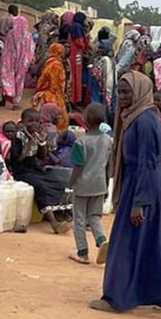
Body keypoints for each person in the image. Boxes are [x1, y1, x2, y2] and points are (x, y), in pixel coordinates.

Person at [91, 72, 161, 312]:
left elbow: (147, 162)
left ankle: (117, 298)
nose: (122, 97)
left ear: (140, 92)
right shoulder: (135, 116)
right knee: (145, 242)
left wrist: (139, 202)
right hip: (140, 183)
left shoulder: (144, 121)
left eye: (127, 92)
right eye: (120, 92)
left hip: (143, 186)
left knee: (126, 242)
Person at [8, 108, 71, 234]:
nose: (34, 124)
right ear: (22, 122)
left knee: (59, 182)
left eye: (37, 121)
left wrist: (42, 142)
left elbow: (42, 157)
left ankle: (62, 214)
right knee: (40, 187)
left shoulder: (37, 135)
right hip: (21, 172)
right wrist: (30, 141)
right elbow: (19, 159)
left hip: (35, 169)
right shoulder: (18, 137)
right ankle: (54, 223)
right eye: (30, 121)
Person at [67, 103, 111, 265]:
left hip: (82, 185)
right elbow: (108, 165)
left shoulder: (81, 142)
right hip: (100, 184)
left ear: (85, 119)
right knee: (94, 216)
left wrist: (70, 184)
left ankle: (82, 252)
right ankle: (101, 241)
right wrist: (106, 184)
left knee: (79, 219)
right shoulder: (107, 140)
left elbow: (78, 167)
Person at [0, 5, 34, 110]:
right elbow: (31, 50)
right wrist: (29, 61)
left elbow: (7, 50)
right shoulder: (28, 36)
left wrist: (5, 62)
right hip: (23, 62)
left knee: (8, 78)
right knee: (19, 81)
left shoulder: (10, 34)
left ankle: (6, 96)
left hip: (11, 61)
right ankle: (16, 103)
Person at [33, 43, 69, 130]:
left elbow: (41, 81)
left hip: (46, 93)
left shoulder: (49, 63)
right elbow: (56, 84)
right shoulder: (56, 65)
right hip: (53, 95)